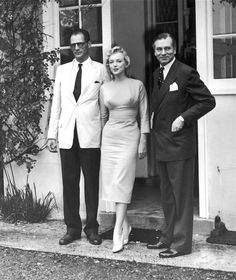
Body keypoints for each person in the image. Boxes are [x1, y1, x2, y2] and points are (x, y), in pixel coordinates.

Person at [147, 33, 216, 258]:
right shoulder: (156, 73)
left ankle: (181, 244)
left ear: (174, 49)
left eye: (167, 48)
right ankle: (167, 237)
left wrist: (184, 118)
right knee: (167, 196)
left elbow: (207, 101)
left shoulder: (186, 72)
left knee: (181, 197)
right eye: (159, 49)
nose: (163, 53)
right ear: (154, 51)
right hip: (162, 143)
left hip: (179, 144)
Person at [47, 28, 108, 246]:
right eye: (72, 45)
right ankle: (72, 228)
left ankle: (92, 228)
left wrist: (105, 134)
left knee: (91, 183)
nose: (76, 48)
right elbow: (56, 105)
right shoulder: (62, 71)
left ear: (88, 44)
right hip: (66, 135)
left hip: (91, 135)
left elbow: (103, 107)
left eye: (80, 44)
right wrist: (52, 134)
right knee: (69, 183)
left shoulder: (100, 70)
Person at [100, 46, 150, 253]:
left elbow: (145, 115)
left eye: (119, 61)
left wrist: (143, 141)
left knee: (123, 182)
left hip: (130, 136)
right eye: (112, 62)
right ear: (109, 65)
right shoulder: (104, 88)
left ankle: (117, 230)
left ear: (126, 62)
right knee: (113, 184)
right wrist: (102, 141)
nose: (115, 64)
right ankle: (126, 224)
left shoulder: (137, 85)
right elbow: (103, 116)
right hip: (110, 138)